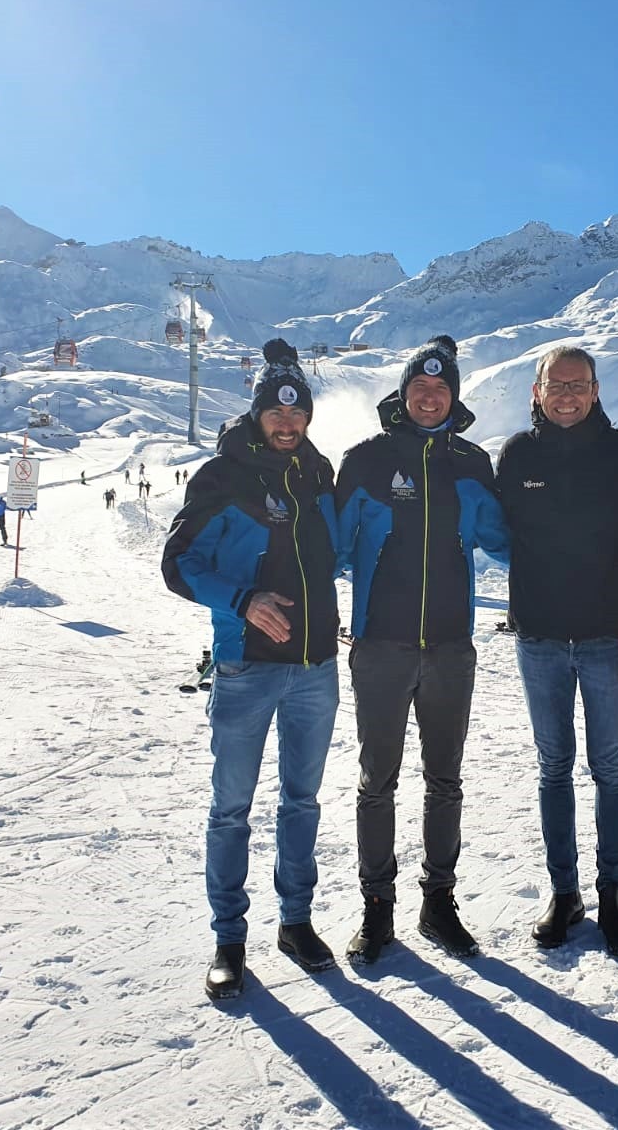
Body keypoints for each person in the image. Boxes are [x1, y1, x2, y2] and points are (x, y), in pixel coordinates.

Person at [161, 339, 343, 1001]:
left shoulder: (318, 473)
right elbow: (177, 564)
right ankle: (229, 940)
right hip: (246, 668)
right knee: (232, 809)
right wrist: (242, 600)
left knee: (302, 802)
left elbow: (336, 554)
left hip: (315, 669)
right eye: (276, 412)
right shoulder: (224, 476)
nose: (287, 423)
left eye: (297, 413)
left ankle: (295, 922)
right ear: (258, 414)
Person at [334, 334, 510, 964]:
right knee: (376, 781)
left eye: (440, 388)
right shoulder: (366, 460)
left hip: (450, 648)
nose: (430, 397)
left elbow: (505, 542)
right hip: (380, 645)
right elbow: (327, 549)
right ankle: (376, 908)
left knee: (445, 781)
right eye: (419, 386)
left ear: (454, 396)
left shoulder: (472, 463)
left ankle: (439, 903)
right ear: (402, 393)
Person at [495, 345, 618, 955]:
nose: (566, 395)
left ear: (595, 390)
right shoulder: (517, 454)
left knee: (609, 768)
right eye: (555, 385)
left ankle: (611, 895)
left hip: (608, 635)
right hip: (540, 637)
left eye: (577, 384)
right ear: (537, 391)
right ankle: (565, 894)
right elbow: (493, 528)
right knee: (553, 768)